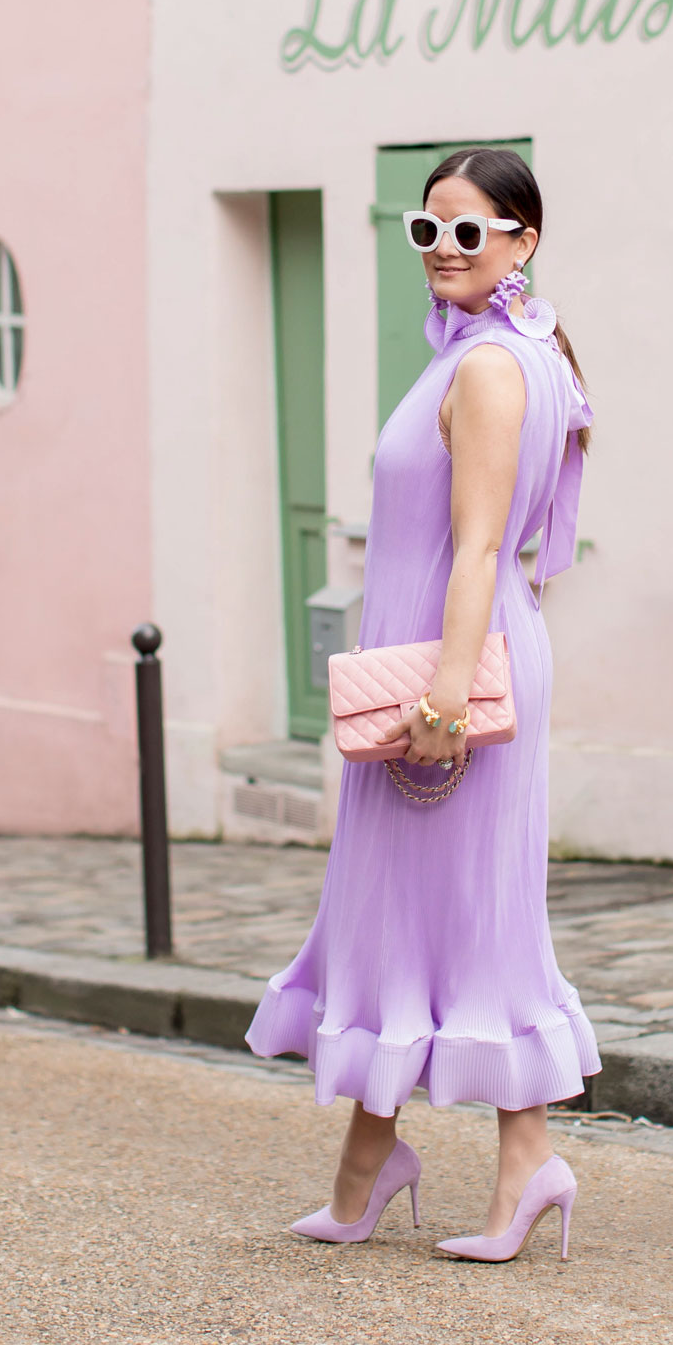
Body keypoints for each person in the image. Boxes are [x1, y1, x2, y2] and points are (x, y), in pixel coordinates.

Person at [246, 145, 600, 1263]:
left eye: (469, 232)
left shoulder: (493, 367)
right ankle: (377, 1163)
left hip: (455, 675)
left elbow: (484, 544)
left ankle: (514, 1160)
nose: (442, 251)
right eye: (425, 230)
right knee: (403, 916)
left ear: (520, 243)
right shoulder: (488, 354)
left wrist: (446, 694)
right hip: (440, 664)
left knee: (471, 917)